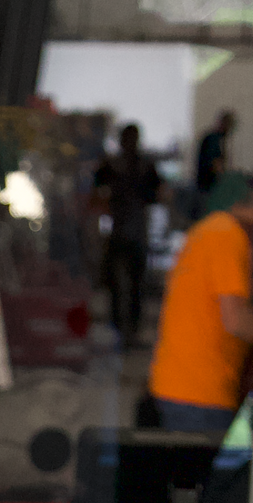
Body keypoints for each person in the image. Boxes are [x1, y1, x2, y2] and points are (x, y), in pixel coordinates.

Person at [146, 170, 253, 442]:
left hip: (178, 385)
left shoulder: (205, 231)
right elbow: (235, 319)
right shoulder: (227, 235)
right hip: (202, 394)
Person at [90, 123, 163, 347]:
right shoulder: (132, 165)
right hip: (126, 230)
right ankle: (126, 328)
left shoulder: (123, 165)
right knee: (127, 284)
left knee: (128, 284)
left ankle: (125, 328)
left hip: (126, 230)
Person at [195, 106, 236, 203]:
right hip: (208, 187)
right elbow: (216, 163)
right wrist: (224, 180)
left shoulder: (212, 138)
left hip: (205, 186)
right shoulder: (214, 139)